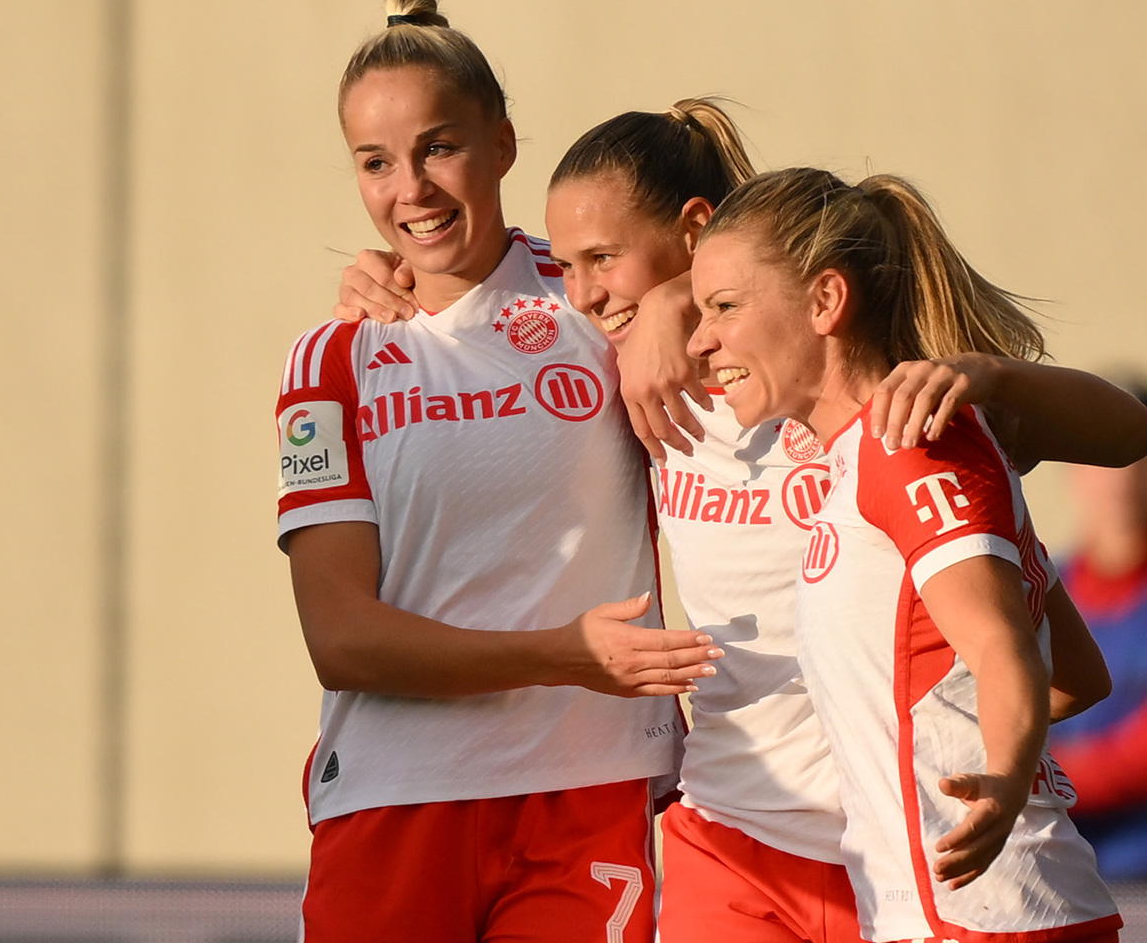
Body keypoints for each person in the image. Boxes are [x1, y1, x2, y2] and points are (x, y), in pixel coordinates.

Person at [335, 100, 1143, 942]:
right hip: (734, 837)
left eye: (603, 260)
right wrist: (385, 275)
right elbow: (483, 309)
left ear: (695, 235)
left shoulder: (868, 402)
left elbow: (1121, 443)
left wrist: (989, 377)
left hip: (891, 848)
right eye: (568, 267)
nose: (581, 292)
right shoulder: (600, 360)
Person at [277, 0, 725, 943]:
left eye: (439, 147)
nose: (412, 190)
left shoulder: (594, 295)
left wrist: (677, 302)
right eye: (376, 162)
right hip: (396, 795)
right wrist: (561, 657)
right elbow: (340, 639)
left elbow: (752, 279)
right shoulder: (331, 356)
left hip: (588, 792)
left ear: (503, 144)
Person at [687, 166, 1122, 942]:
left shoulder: (904, 446)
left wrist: (1004, 779)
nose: (700, 339)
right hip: (948, 912)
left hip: (985, 916)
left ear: (826, 301)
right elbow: (1075, 674)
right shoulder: (859, 456)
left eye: (723, 307)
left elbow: (1004, 651)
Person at [1045, 378, 1147, 878]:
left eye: (1134, 456)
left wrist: (1020, 777)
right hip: (1053, 879)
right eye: (1100, 458)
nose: (1120, 479)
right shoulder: (1038, 585)